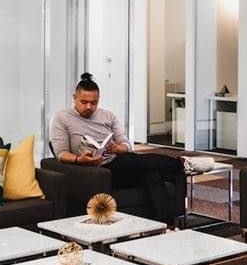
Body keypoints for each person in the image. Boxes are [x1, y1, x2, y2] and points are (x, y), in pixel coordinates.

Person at [50, 73, 181, 223]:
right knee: (132, 162)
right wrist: (80, 159)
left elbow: (126, 144)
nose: (89, 107)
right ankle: (180, 164)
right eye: (84, 102)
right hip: (97, 171)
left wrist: (119, 148)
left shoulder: (108, 116)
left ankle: (167, 225)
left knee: (151, 175)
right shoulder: (62, 118)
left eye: (94, 103)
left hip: (120, 164)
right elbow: (61, 154)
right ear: (74, 97)